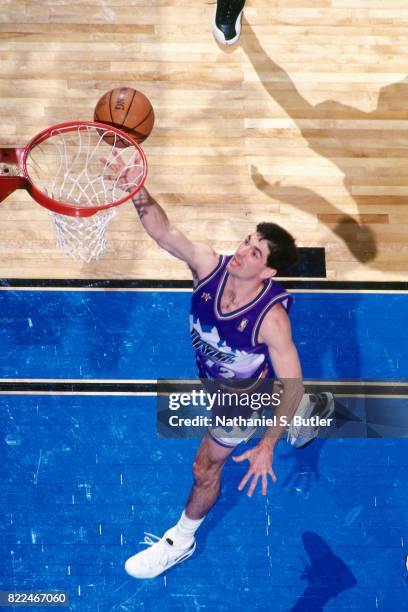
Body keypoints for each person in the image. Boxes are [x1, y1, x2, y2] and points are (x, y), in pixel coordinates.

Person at [107, 183, 334, 579]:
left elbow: (291, 382)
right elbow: (163, 231)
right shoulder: (209, 266)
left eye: (254, 252)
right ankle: (304, 415)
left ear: (267, 271)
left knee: (204, 469)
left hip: (241, 401)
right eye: (247, 242)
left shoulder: (271, 320)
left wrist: (266, 445)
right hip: (216, 381)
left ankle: (181, 541)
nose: (242, 252)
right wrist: (136, 189)